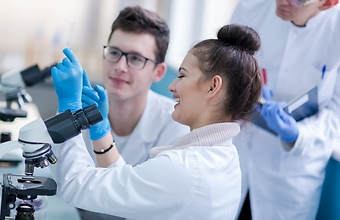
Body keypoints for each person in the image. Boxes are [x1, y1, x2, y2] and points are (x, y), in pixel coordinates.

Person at [49, 23, 263, 220]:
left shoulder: (186, 169)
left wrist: (69, 109)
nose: (172, 86)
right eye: (114, 53)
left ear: (212, 87)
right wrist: (101, 131)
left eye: (182, 75)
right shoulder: (224, 156)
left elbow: (77, 185)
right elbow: (128, 184)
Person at [230, 0, 340, 219]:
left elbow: (336, 113)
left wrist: (297, 135)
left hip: (290, 176)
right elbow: (225, 65)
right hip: (236, 150)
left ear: (327, 3)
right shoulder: (252, 2)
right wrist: (244, 86)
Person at [79, 6, 189, 219]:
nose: (120, 66)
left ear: (158, 72)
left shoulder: (175, 127)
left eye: (136, 59)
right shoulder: (81, 110)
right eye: (114, 53)